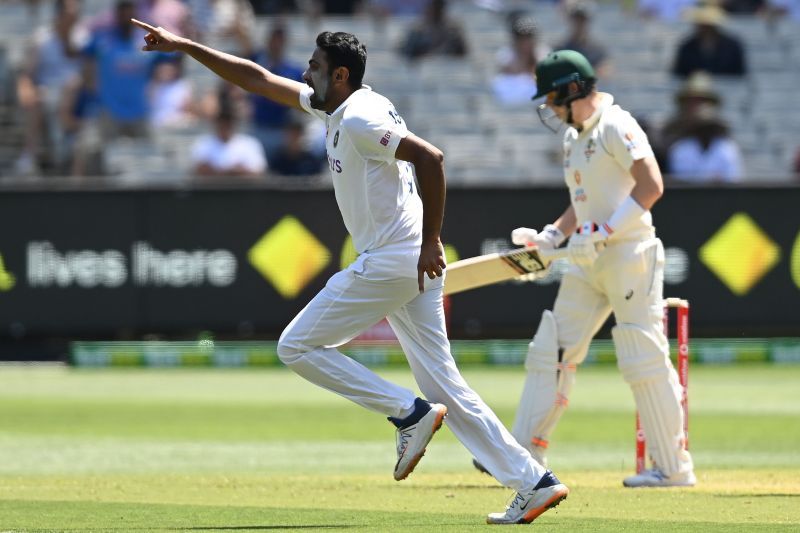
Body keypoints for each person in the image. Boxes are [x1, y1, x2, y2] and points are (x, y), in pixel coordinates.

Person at [131, 18, 569, 524]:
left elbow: (432, 158)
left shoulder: (359, 118)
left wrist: (430, 242)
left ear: (340, 75)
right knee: (447, 385)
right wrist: (184, 45)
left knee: (295, 346)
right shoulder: (338, 104)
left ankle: (408, 412)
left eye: (314, 67)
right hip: (405, 262)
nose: (305, 72)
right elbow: (255, 78)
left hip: (393, 259)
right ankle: (533, 481)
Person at [489, 50, 695, 488]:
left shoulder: (616, 125)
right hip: (587, 257)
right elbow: (583, 203)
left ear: (572, 89)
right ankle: (522, 460)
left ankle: (673, 469)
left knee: (642, 356)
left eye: (551, 97)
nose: (548, 107)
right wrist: (552, 235)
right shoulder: (573, 137)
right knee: (552, 350)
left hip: (629, 255)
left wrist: (606, 229)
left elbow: (651, 185)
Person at [190, 105, 267, 180]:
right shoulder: (203, 143)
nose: (225, 124)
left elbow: (258, 172)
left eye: (228, 121)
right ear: (216, 122)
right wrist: (231, 172)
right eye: (221, 121)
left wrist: (223, 172)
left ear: (234, 122)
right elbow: (199, 170)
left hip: (244, 190)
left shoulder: (250, 143)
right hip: (210, 190)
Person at [671, 3, 747, 78]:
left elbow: (739, 74)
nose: (706, 29)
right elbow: (679, 73)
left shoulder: (732, 46)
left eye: (709, 26)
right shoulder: (687, 46)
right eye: (702, 25)